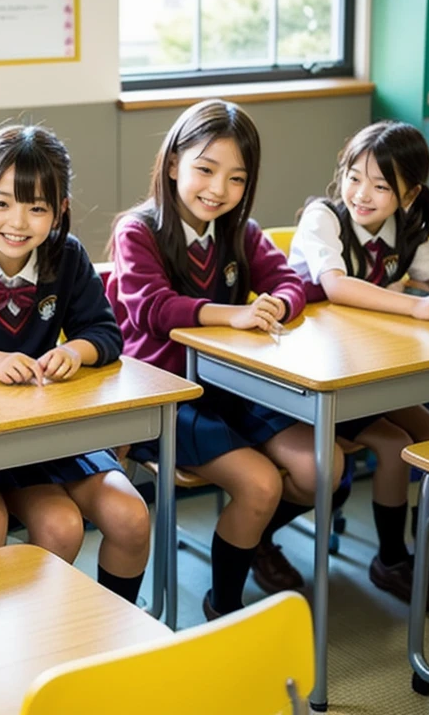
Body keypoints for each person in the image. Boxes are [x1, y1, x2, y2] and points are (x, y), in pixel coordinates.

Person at [108, 99, 344, 619]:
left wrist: (277, 302)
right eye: (205, 169)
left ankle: (252, 533)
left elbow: (290, 282)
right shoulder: (138, 230)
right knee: (259, 483)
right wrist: (229, 315)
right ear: (173, 165)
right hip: (166, 395)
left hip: (234, 386)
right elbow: (153, 310)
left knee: (323, 468)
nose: (218, 190)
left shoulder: (242, 232)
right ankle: (226, 605)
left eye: (236, 178)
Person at [0, 124, 152, 605]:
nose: (17, 222)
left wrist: (72, 351)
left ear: (59, 209)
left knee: (132, 515)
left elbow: (106, 334)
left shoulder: (66, 259)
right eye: (1, 203)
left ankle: (116, 636)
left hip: (52, 432)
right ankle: (24, 644)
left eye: (37, 207)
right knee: (61, 528)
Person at [287, 120, 429, 619]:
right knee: (397, 444)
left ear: (410, 193)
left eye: (380, 185)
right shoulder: (323, 217)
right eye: (354, 177)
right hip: (315, 375)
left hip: (371, 372)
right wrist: (413, 305)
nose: (362, 194)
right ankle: (393, 560)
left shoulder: (408, 234)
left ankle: (420, 559)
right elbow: (335, 286)